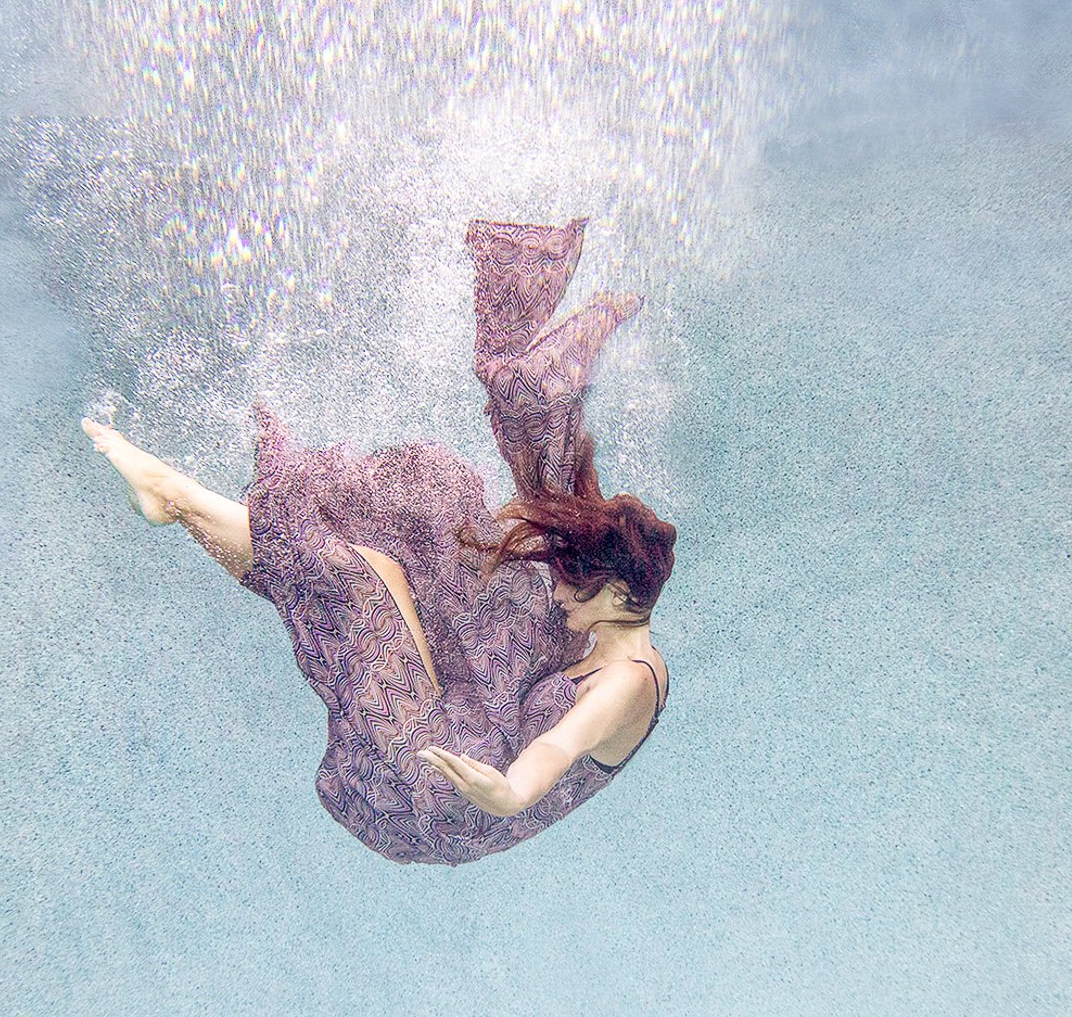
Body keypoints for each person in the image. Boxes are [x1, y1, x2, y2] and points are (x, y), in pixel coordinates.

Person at [82, 217, 676, 866]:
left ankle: (175, 497)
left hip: (445, 795)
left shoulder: (628, 684)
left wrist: (510, 793)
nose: (560, 589)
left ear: (619, 595)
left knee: (358, 583)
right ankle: (525, 382)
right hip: (487, 706)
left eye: (575, 585)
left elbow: (560, 745)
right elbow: (572, 520)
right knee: (431, 504)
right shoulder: (605, 619)